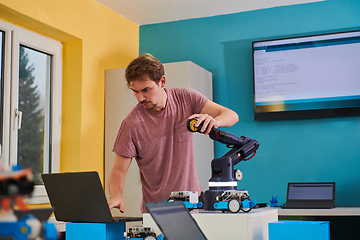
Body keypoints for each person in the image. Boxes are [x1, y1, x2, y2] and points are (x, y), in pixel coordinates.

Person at [108, 53, 239, 213]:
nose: (140, 98)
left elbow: (232, 115)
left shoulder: (185, 98)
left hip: (194, 206)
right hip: (156, 211)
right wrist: (116, 195)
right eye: (135, 91)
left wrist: (215, 121)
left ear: (162, 81)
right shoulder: (131, 124)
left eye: (146, 90)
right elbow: (118, 170)